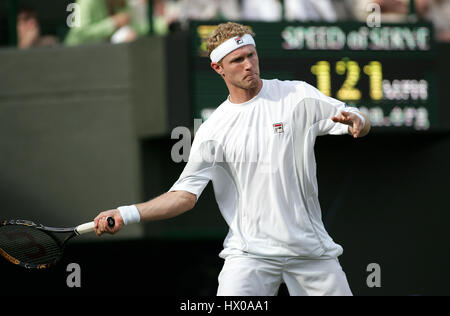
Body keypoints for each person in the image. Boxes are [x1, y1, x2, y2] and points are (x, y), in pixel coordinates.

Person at [94, 22, 370, 296]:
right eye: (238, 59)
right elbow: (184, 196)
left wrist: (358, 120)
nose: (249, 64)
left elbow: (356, 118)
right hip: (249, 254)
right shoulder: (213, 131)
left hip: (311, 250)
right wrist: (125, 213)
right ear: (218, 68)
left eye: (252, 55)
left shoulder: (296, 95)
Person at [64, 0, 149, 46]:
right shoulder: (86, 2)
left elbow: (136, 26)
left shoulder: (122, 3)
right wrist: (113, 23)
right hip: (76, 56)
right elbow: (79, 33)